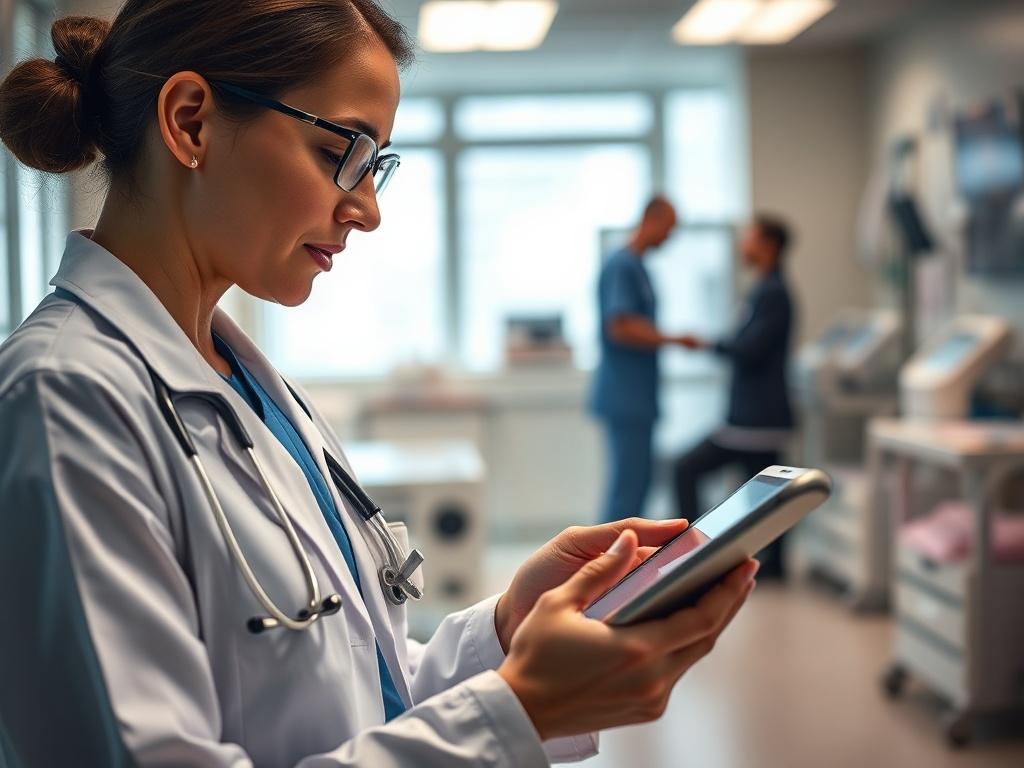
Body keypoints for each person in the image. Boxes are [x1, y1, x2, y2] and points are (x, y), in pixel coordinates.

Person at [0, 3, 759, 766]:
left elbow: (364, 691)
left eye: (377, 164)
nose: (366, 210)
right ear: (192, 122)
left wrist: (507, 635)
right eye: (344, 151)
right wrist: (522, 710)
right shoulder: (65, 401)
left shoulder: (245, 385)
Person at [674, 215, 796, 578]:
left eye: (751, 237)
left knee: (686, 468)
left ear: (769, 244)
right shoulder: (764, 288)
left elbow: (750, 348)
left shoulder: (772, 292)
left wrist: (709, 343)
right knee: (765, 494)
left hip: (755, 419)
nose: (744, 244)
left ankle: (692, 554)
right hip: (753, 417)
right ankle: (772, 567)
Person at [589, 196, 690, 523]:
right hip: (625, 395)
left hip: (637, 396)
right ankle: (612, 570)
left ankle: (626, 566)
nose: (669, 237)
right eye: (669, 228)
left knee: (641, 482)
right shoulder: (623, 265)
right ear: (651, 218)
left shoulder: (638, 266)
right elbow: (620, 327)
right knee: (628, 488)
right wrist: (675, 339)